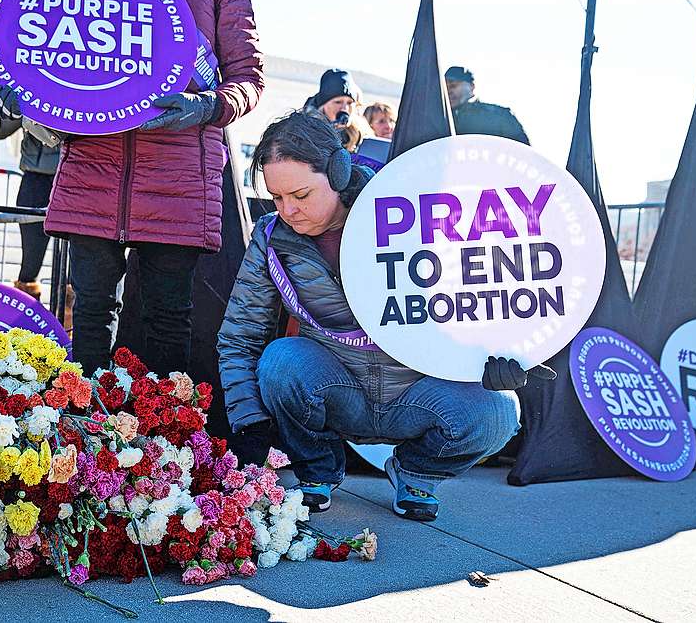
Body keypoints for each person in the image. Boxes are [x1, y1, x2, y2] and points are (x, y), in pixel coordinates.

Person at [218, 111, 554, 521]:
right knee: (280, 361)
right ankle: (317, 472)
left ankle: (415, 473)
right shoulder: (271, 238)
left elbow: (481, 292)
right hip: (338, 387)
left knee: (500, 411)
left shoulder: (413, 213)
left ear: (338, 172)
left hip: (418, 394)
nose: (288, 209)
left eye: (301, 195)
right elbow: (240, 336)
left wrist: (503, 355)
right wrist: (249, 423)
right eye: (277, 198)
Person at [0, 0, 263, 378]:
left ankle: (167, 438)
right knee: (89, 315)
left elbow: (248, 79)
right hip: (93, 171)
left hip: (177, 178)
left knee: (167, 320)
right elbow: (56, 59)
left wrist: (207, 106)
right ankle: (86, 431)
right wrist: (27, 99)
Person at [0, 103, 61, 301]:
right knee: (31, 259)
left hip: (77, 178)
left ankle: (70, 320)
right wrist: (19, 102)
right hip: (36, 178)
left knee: (77, 261)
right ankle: (26, 316)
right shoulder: (33, 88)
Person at [444, 66, 530, 144]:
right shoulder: (438, 120)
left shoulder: (499, 115)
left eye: (453, 86)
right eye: (444, 88)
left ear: (472, 86)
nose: (448, 91)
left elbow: (524, 152)